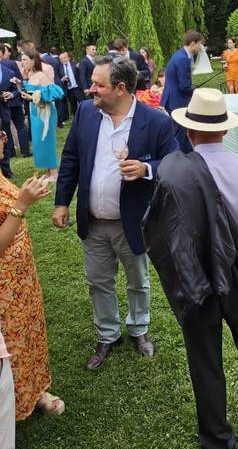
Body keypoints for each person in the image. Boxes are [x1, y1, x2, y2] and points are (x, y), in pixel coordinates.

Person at [144, 87, 238, 448]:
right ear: (224, 129)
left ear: (189, 131)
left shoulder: (173, 174)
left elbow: (163, 230)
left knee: (204, 356)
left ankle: (217, 436)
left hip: (195, 273)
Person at [53, 56, 179, 370]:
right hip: (93, 221)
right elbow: (70, 159)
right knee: (98, 282)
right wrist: (61, 202)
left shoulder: (156, 121)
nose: (90, 89)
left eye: (98, 84)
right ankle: (107, 334)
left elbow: (177, 163)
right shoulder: (85, 113)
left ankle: (139, 329)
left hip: (133, 222)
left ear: (120, 88)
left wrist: (148, 168)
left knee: (138, 280)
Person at [0, 144, 65, 423]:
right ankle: (11, 405)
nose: (3, 138)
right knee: (11, 343)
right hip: (3, 288)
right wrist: (21, 205)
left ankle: (35, 392)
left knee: (29, 333)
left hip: (20, 279)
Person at [15, 50, 64, 176]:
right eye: (22, 60)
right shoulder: (30, 75)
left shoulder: (42, 75)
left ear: (33, 60)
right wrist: (20, 83)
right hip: (34, 112)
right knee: (39, 142)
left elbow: (54, 93)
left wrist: (31, 98)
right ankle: (48, 170)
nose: (22, 62)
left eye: (25, 59)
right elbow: (31, 90)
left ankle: (54, 172)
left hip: (45, 113)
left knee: (47, 140)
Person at [162, 30, 205, 153]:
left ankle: (188, 156)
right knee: (180, 134)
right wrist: (197, 91)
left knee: (181, 132)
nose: (200, 47)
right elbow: (184, 86)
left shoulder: (180, 54)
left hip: (173, 99)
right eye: (199, 44)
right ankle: (179, 159)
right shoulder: (183, 59)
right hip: (176, 101)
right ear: (193, 44)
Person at [0, 45, 29, 161]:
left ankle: (21, 151)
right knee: (9, 128)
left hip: (13, 102)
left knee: (19, 126)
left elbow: (19, 85)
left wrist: (12, 94)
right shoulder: (12, 63)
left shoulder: (10, 68)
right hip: (5, 106)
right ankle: (16, 151)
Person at [59, 51, 84, 119]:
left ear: (68, 58)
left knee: (82, 103)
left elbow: (81, 74)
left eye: (64, 58)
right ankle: (76, 119)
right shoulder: (59, 67)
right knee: (73, 106)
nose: (63, 60)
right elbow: (58, 78)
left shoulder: (75, 64)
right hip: (68, 89)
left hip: (77, 87)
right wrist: (62, 79)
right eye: (61, 59)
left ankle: (85, 116)